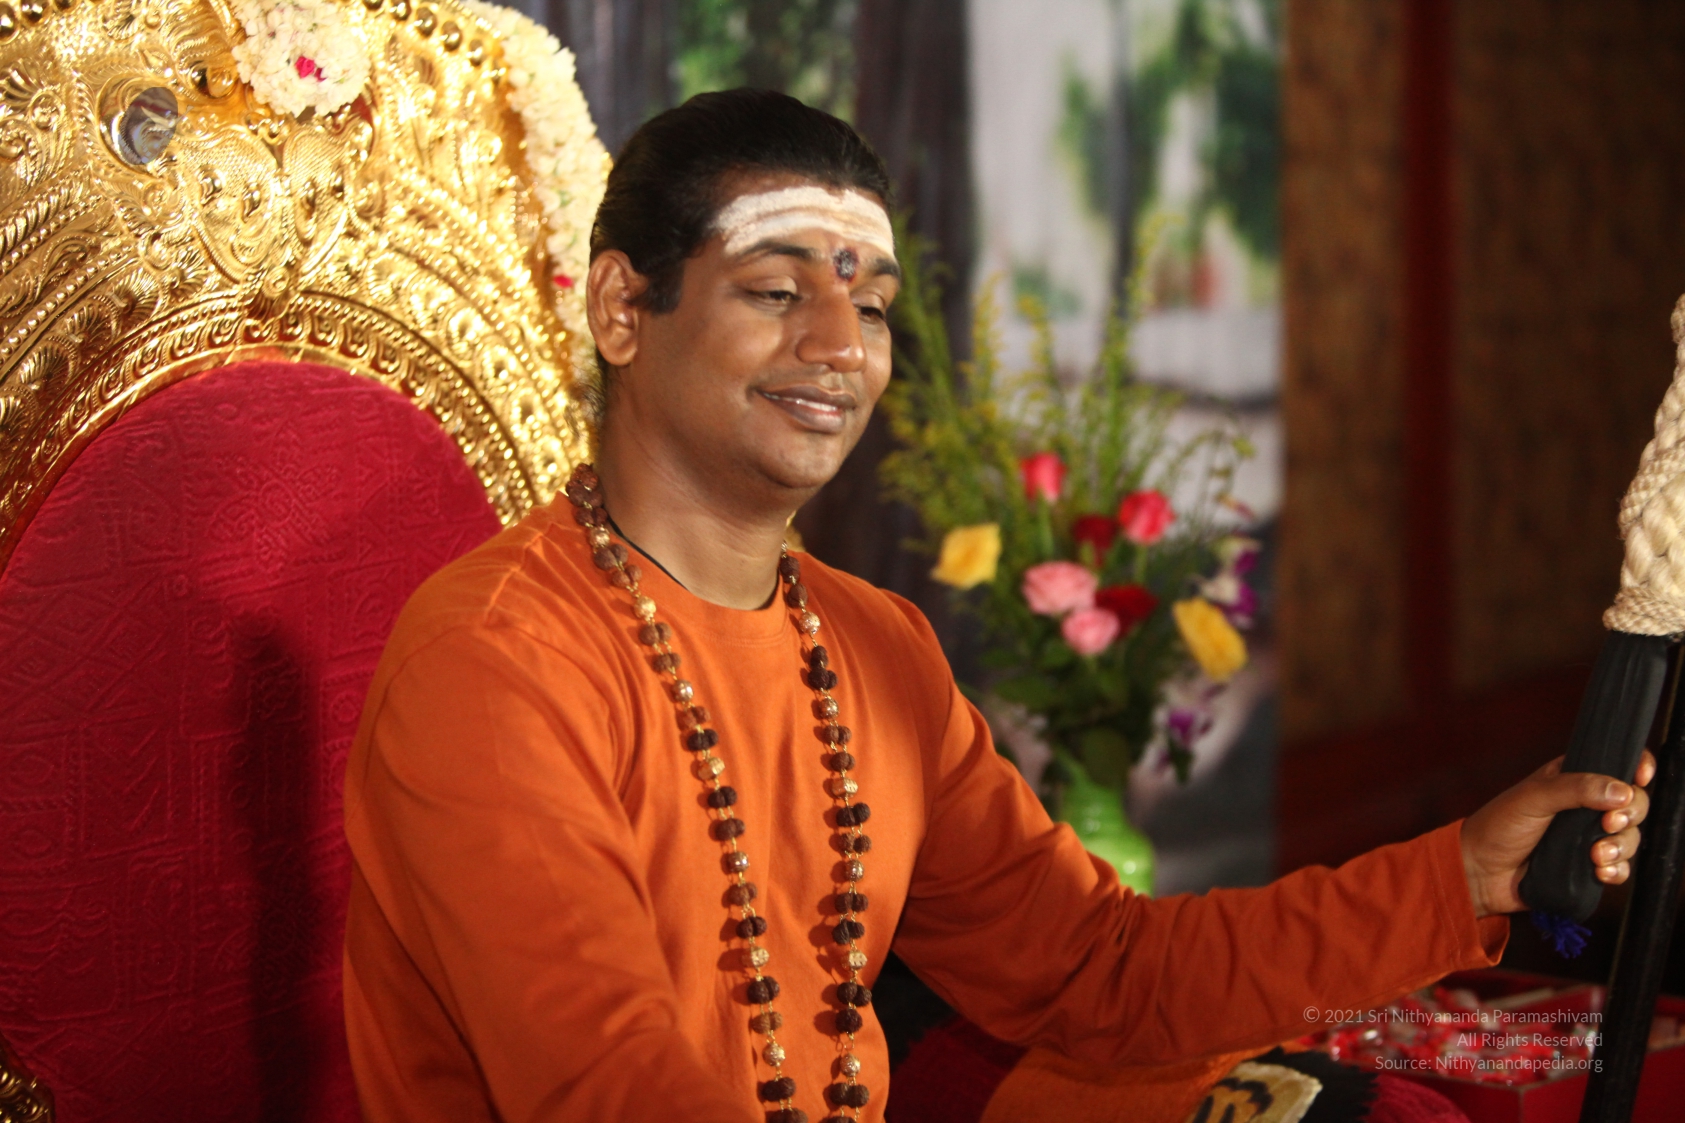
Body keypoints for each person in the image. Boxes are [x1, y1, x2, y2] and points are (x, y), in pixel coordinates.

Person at [341, 89, 1653, 1123]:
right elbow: (610, 1089)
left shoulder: (870, 646)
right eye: (776, 291)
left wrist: (1461, 871)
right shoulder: (494, 664)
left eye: (869, 302)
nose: (839, 347)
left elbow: (1102, 972)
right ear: (625, 307)